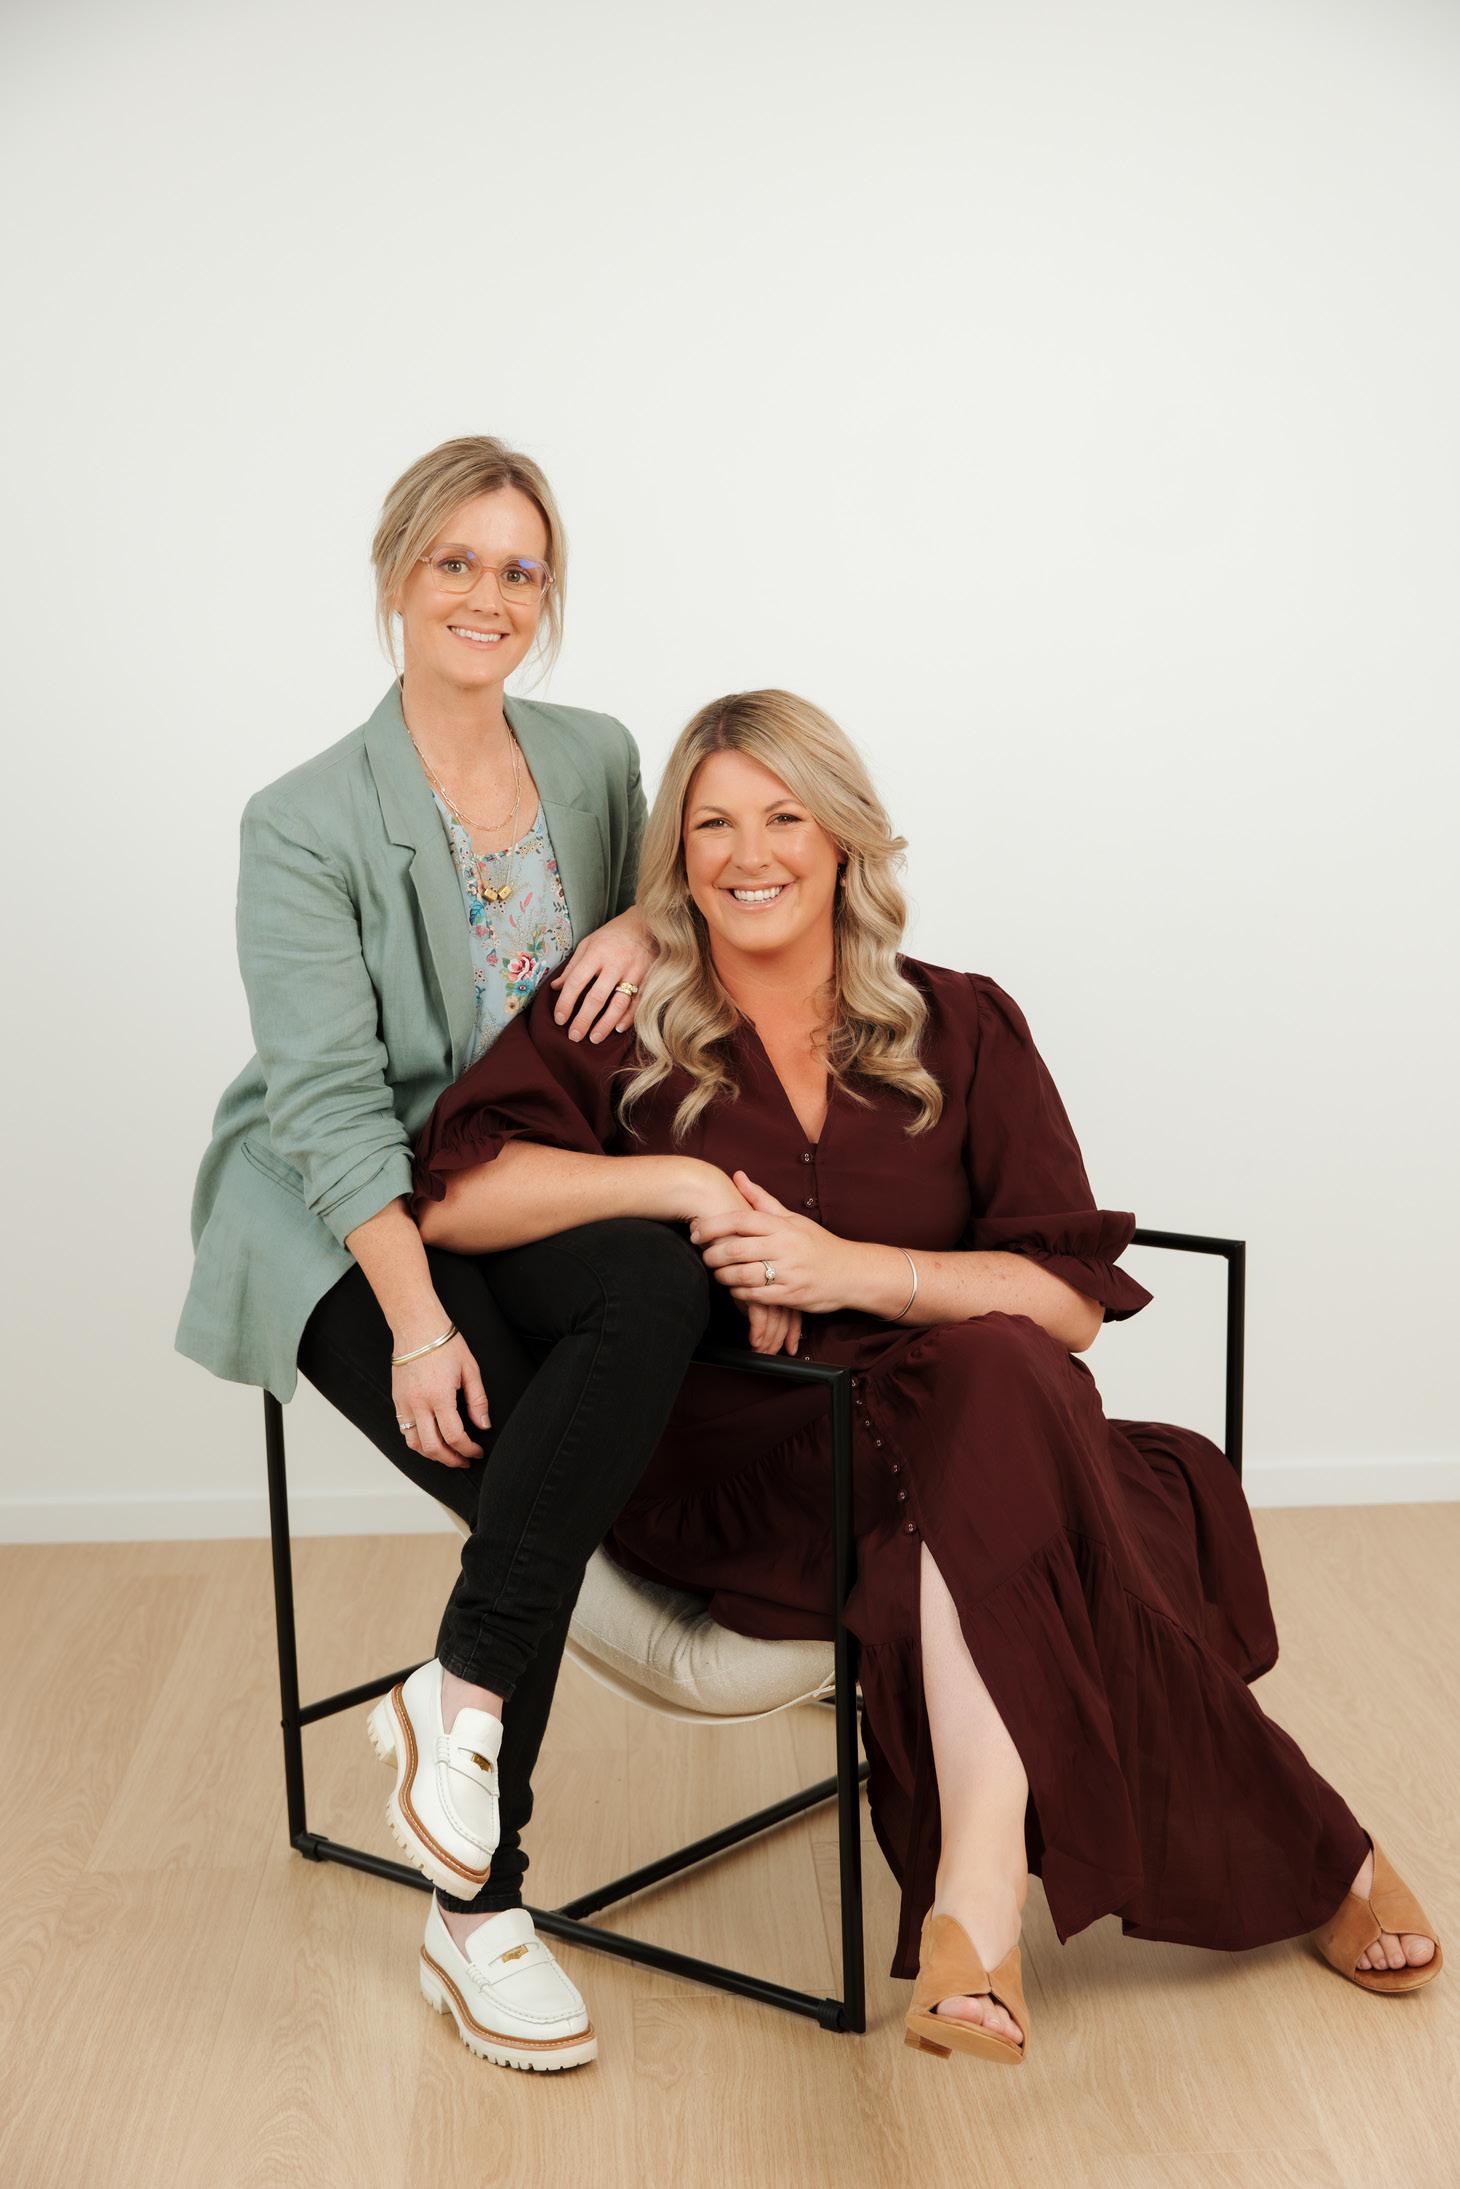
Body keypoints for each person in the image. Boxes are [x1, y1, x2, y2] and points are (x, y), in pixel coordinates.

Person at [411, 686, 1442, 2069]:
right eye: (712, 825)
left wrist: (850, 1269)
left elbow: (1067, 1304)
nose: (750, 853)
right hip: (751, 1472)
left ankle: (973, 1910)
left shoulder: (964, 1025)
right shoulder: (623, 1017)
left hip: (955, 1450)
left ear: (844, 838)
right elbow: (460, 1192)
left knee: (993, 1399)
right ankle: (1318, 1851)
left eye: (785, 816)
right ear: (677, 858)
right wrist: (686, 1190)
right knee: (1027, 1430)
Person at [177, 436, 714, 2074]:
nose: (489, 594)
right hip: (340, 1204)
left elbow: (687, 903)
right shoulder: (301, 819)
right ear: (397, 575)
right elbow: (332, 1108)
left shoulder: (596, 756)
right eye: (456, 562)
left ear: (549, 594)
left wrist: (647, 919)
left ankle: (452, 1698)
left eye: (520, 568)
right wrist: (416, 1322)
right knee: (519, 1453)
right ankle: (479, 1910)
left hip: (513, 1171)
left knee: (658, 1281)